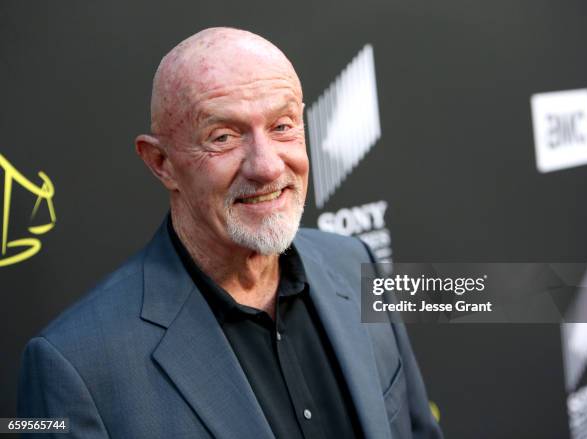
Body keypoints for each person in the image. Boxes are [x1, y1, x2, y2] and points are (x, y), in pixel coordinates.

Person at [18, 27, 442, 439]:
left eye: (282, 126)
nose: (267, 166)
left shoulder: (354, 262)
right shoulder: (77, 365)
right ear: (161, 163)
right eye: (223, 136)